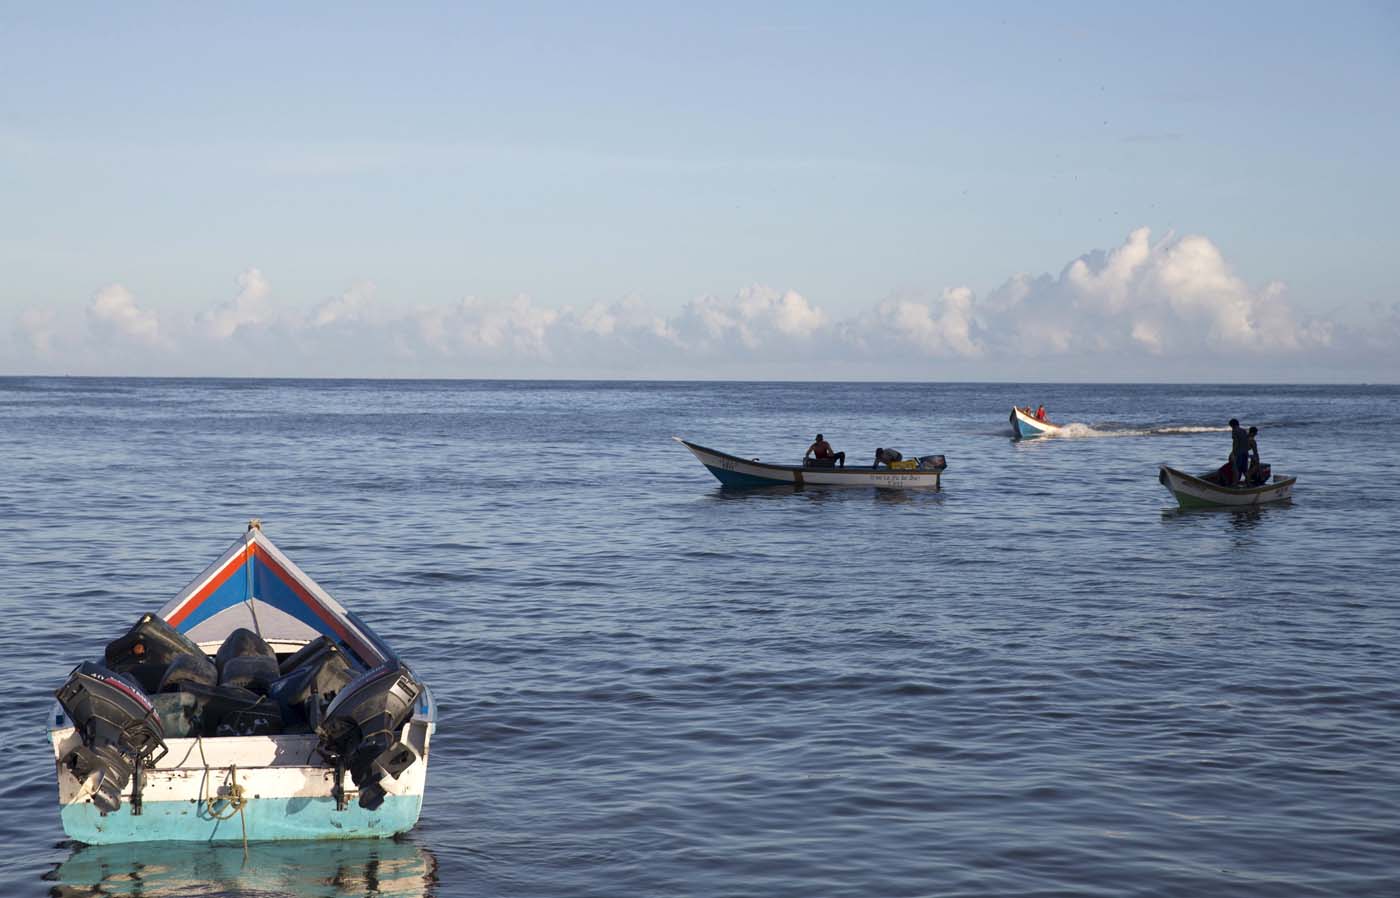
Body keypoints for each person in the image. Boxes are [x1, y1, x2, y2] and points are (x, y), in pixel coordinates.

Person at [1228, 418, 1250, 485]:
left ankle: (1235, 484)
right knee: (1244, 470)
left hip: (1239, 453)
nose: (1231, 428)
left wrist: (1232, 453)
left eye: (1231, 426)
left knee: (1236, 469)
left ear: (1232, 425)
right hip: (1245, 452)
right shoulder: (1244, 431)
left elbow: (1235, 443)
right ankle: (1249, 484)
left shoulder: (1235, 431)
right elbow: (1247, 442)